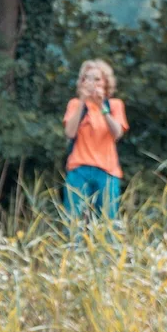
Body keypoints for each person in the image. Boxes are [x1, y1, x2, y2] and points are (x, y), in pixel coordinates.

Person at [63, 59, 128, 220]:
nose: (92, 83)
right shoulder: (75, 104)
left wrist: (101, 107)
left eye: (97, 79)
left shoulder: (114, 105)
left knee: (108, 222)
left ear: (106, 83)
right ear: (82, 82)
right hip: (79, 168)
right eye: (88, 78)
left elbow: (117, 133)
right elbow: (70, 133)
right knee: (73, 221)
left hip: (107, 171)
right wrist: (82, 103)